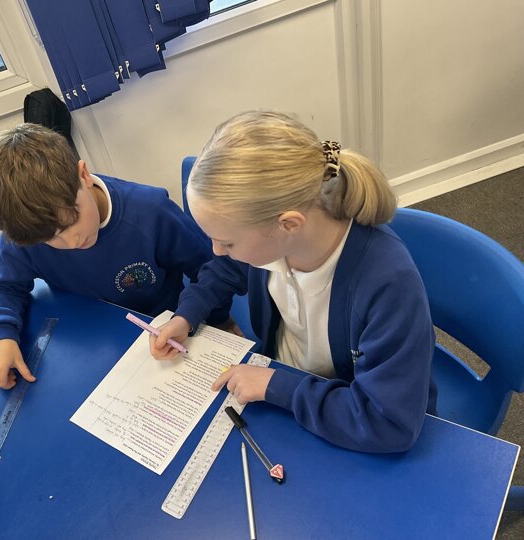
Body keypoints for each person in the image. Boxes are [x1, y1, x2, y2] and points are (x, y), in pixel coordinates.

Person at [150, 110, 437, 453]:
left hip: (343, 408)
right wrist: (186, 315)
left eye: (227, 242)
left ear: (288, 224)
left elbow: (388, 423)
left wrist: (276, 386)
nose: (217, 251)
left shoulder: (388, 284)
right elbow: (223, 270)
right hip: (289, 387)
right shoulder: (277, 240)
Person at [0, 123, 227, 389]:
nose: (72, 242)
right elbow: (1, 286)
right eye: (52, 239)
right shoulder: (31, 231)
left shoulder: (151, 213)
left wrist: (212, 319)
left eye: (71, 222)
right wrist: (0, 335)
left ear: (83, 175)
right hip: (87, 344)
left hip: (163, 332)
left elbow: (215, 269)